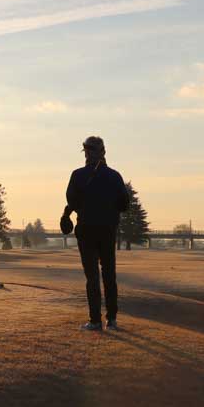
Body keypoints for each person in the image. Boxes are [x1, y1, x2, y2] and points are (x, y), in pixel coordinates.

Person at [62, 136, 129, 331]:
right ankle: (112, 319)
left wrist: (67, 214)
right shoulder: (114, 176)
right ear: (104, 152)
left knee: (92, 276)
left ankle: (95, 320)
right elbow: (124, 205)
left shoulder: (77, 175)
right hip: (107, 230)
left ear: (86, 153)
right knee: (109, 274)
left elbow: (72, 202)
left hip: (86, 231)